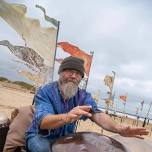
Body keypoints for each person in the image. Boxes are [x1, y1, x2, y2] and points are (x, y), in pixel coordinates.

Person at [25, 56, 149, 152]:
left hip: (67, 137)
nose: (74, 76)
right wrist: (67, 117)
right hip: (41, 136)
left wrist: (118, 128)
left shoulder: (83, 96)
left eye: (78, 73)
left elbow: (97, 115)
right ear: (60, 72)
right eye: (69, 71)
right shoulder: (45, 91)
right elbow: (44, 121)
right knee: (42, 149)